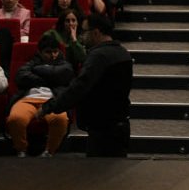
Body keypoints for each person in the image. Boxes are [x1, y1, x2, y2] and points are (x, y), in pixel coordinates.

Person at [37, 15, 133, 157]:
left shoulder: (99, 56)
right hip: (120, 124)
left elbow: (79, 88)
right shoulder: (122, 53)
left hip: (102, 129)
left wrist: (49, 107)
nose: (82, 36)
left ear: (96, 32)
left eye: (85, 31)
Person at [7, 33, 74, 157]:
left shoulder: (64, 65)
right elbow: (21, 77)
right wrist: (52, 79)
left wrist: (38, 71)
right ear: (40, 52)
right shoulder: (30, 63)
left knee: (60, 119)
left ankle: (49, 152)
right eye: (48, 52)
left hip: (53, 100)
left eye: (55, 52)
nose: (53, 56)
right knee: (15, 119)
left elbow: (66, 74)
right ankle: (21, 150)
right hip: (28, 99)